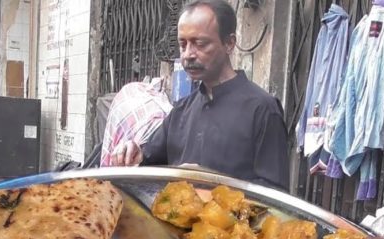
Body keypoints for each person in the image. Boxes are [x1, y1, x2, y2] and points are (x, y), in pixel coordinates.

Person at [110, 0, 289, 189]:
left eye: (200, 44)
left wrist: (211, 181)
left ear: (229, 43)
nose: (188, 54)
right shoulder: (181, 110)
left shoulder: (263, 109)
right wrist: (135, 154)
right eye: (183, 44)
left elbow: (275, 194)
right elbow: (150, 159)